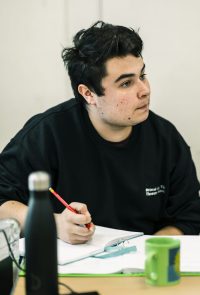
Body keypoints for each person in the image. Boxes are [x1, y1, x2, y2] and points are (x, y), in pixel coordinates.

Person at [0, 21, 200, 244]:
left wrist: (152, 248)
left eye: (142, 75)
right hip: (70, 271)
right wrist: (53, 223)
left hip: (144, 269)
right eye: (126, 83)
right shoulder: (47, 134)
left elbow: (189, 215)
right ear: (88, 94)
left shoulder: (165, 138)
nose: (145, 90)